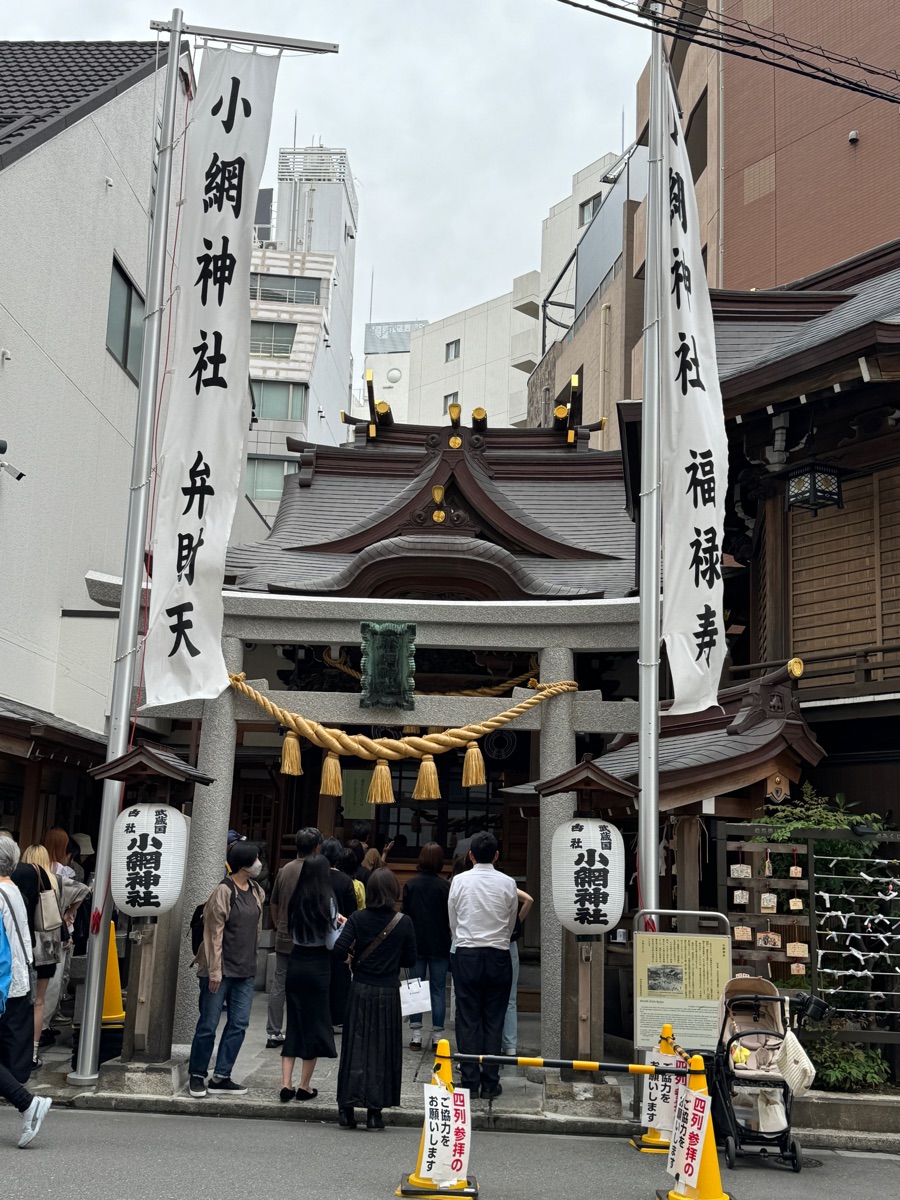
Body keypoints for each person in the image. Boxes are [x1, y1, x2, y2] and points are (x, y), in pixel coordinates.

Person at [334, 868, 417, 1130]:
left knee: (354, 1048)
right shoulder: (403, 922)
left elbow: (338, 949)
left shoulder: (358, 918)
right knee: (383, 1050)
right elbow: (410, 960)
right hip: (388, 991)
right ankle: (374, 1113)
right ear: (394, 892)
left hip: (359, 988)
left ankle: (347, 1109)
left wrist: (352, 959)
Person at [188, 841, 264, 1098]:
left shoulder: (256, 890)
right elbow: (213, 933)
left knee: (239, 1024)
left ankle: (222, 1075)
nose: (259, 864)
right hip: (219, 970)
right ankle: (197, 1074)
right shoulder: (223, 891)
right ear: (245, 862)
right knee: (208, 1024)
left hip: (245, 970)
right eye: (255, 859)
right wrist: (214, 971)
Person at [448, 831, 517, 1101]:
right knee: (493, 1018)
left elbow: (453, 920)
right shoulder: (508, 883)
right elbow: (511, 924)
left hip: (466, 952)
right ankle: (490, 1081)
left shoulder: (459, 881)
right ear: (496, 855)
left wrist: (462, 938)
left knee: (467, 1018)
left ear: (471, 855)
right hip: (498, 954)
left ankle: (469, 1080)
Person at [0, 835, 51, 1147]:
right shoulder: (13, 890)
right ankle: (27, 1104)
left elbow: (0, 952)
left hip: (5, 986)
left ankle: (28, 1104)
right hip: (18, 982)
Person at [280, 855, 342, 1101]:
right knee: (314, 1024)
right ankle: (304, 1086)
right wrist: (340, 927)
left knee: (294, 1021)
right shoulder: (327, 900)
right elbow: (330, 943)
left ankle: (286, 1084)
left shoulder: (296, 899)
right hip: (318, 966)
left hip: (296, 962)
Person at [266, 827, 322, 1049]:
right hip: (310, 936)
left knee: (280, 982)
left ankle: (273, 1031)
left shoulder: (285, 869)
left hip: (285, 933)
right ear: (317, 847)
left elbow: (274, 901)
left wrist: (280, 923)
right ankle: (300, 1030)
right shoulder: (317, 870)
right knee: (306, 984)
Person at [15, 846, 62, 1068]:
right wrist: (70, 914)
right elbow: (83, 890)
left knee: (17, 1001)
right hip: (46, 948)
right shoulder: (53, 880)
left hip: (22, 947)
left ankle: (15, 1051)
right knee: (38, 1002)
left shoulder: (14, 878)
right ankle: (33, 1054)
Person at [402, 843, 451, 1050]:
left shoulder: (411, 885)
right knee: (438, 989)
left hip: (416, 942)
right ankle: (437, 1036)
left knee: (415, 985)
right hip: (439, 943)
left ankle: (415, 1035)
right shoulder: (445, 887)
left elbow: (405, 914)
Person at [320, 839, 358, 1029]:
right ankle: (338, 1017)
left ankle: (321, 1015)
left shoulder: (316, 877)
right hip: (341, 935)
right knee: (339, 976)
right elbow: (353, 911)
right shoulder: (345, 880)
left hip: (318, 936)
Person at [502, 888, 534, 1058]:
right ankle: (510, 1045)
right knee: (511, 997)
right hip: (510, 943)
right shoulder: (507, 886)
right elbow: (528, 899)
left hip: (493, 940)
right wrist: (518, 922)